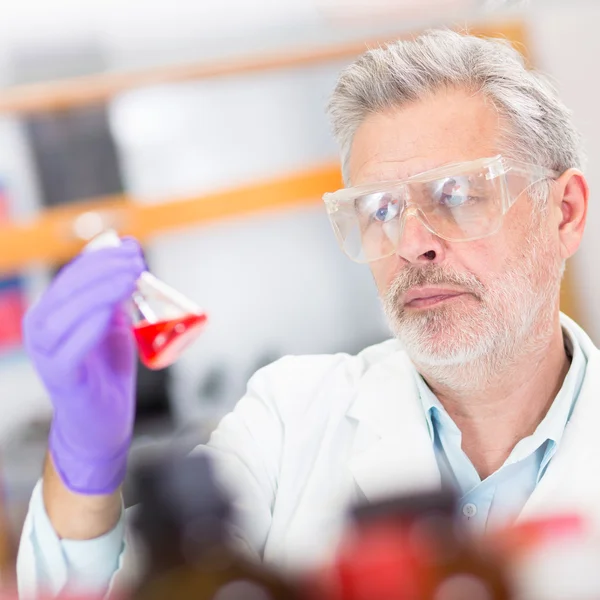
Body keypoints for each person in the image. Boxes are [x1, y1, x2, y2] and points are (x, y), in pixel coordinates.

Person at [17, 28, 595, 597]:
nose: (410, 242)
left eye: (455, 194)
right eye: (380, 208)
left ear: (564, 213)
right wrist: (83, 462)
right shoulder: (289, 418)